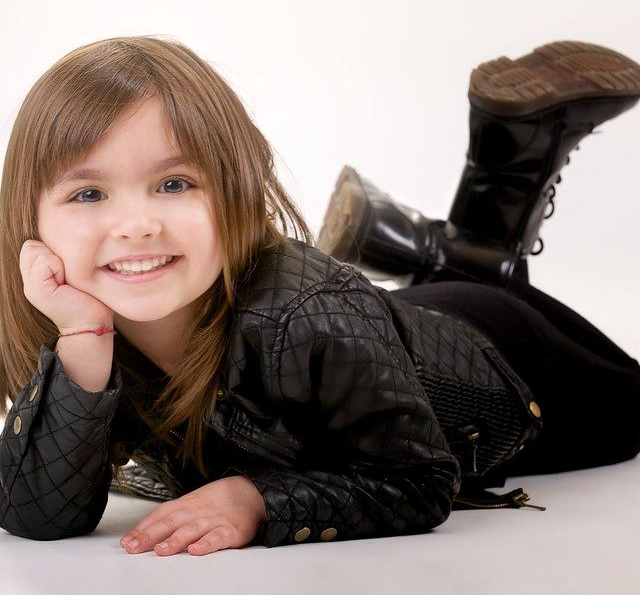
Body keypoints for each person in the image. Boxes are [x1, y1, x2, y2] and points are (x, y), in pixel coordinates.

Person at [0, 36, 638, 558]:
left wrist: (258, 499)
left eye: (174, 182)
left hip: (500, 358)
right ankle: (441, 240)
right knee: (353, 306)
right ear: (30, 223)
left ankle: (497, 175)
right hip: (375, 328)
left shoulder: (308, 315)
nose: (136, 224)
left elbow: (419, 481)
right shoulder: (71, 314)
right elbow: (38, 515)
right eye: (88, 194)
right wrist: (83, 342)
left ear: (239, 193)